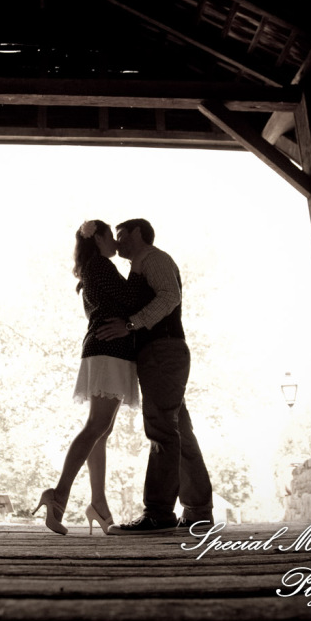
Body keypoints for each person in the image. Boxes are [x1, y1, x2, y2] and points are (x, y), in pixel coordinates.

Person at [95, 218, 214, 534]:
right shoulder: (138, 267)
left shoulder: (154, 259)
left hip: (163, 352)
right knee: (180, 431)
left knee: (161, 429)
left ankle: (159, 512)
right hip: (162, 354)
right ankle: (198, 510)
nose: (117, 241)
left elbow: (169, 297)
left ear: (137, 233)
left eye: (121, 234)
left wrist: (131, 324)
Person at [33, 219, 146, 535]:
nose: (115, 243)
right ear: (98, 238)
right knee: (97, 425)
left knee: (102, 429)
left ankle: (97, 503)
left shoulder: (93, 268)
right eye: (111, 236)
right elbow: (132, 299)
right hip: (108, 350)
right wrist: (138, 264)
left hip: (109, 350)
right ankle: (59, 494)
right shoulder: (100, 267)